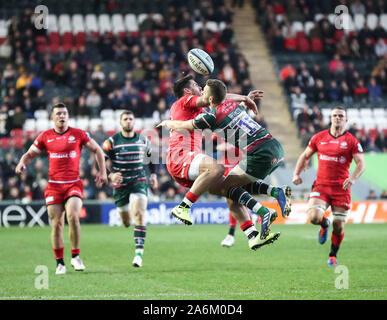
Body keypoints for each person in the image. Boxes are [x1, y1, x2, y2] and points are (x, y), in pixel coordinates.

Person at [158, 78, 291, 246]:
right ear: (187, 92)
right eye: (196, 86)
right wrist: (243, 98)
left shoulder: (208, 113)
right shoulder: (185, 101)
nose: (200, 87)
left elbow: (218, 98)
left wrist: (243, 98)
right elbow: (215, 98)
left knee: (228, 190)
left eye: (203, 88)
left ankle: (253, 233)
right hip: (181, 157)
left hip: (193, 160)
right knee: (219, 171)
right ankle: (183, 207)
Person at [15, 103, 108, 274]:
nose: (61, 116)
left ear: (68, 116)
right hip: (54, 186)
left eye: (64, 113)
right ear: (52, 117)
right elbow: (29, 154)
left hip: (73, 183)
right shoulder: (45, 136)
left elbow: (98, 151)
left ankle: (75, 256)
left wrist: (103, 172)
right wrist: (22, 162)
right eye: (58, 113)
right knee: (57, 223)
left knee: (73, 216)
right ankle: (60, 263)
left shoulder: (78, 134)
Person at [292, 107, 366, 267]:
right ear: (330, 118)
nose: (337, 118)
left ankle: (332, 255)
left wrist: (352, 178)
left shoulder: (352, 141)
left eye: (341, 116)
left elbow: (361, 164)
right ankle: (324, 224)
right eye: (334, 115)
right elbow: (305, 156)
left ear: (345, 120)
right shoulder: (319, 137)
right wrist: (296, 174)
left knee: (339, 227)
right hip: (322, 186)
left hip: (341, 189)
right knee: (314, 217)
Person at [102, 110, 158, 268]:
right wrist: (111, 175)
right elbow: (100, 162)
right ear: (120, 122)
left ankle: (138, 255)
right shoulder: (112, 141)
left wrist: (153, 175)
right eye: (125, 119)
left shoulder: (143, 140)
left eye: (131, 119)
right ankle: (133, 223)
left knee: (140, 214)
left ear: (134, 122)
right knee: (126, 222)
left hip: (138, 180)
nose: (128, 121)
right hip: (120, 185)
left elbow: (151, 157)